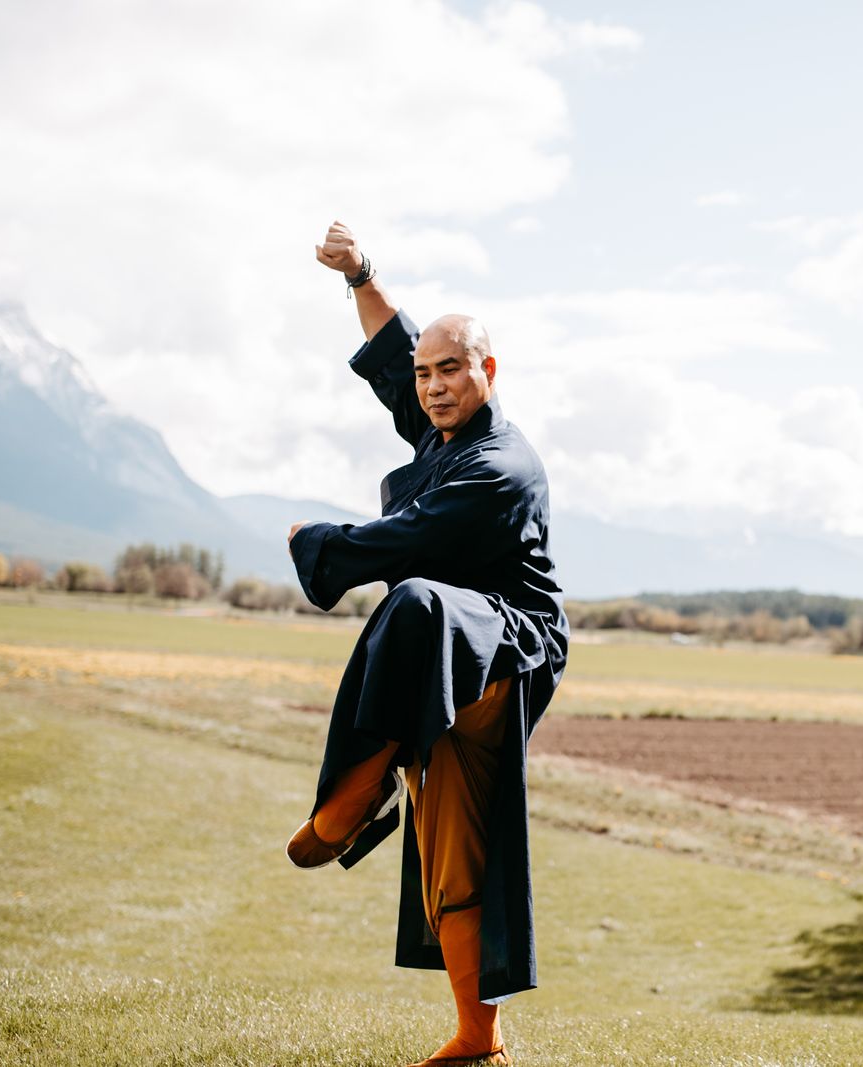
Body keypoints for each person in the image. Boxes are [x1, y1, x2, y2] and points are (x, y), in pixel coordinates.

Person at [284, 220, 569, 1067]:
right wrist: (359, 272)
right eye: (427, 373)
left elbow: (406, 540)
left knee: (412, 599)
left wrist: (317, 544)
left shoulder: (501, 466)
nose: (435, 386)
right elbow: (392, 347)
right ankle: (479, 1039)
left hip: (507, 644)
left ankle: (354, 792)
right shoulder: (440, 427)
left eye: (452, 369)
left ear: (489, 371)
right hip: (446, 655)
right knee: (449, 840)